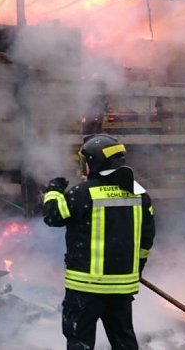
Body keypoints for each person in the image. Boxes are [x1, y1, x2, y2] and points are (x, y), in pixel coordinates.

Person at [42, 134, 155, 350]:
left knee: (80, 342)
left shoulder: (82, 194)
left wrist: (53, 191)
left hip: (85, 288)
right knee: (124, 341)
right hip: (121, 289)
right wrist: (135, 271)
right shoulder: (139, 195)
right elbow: (146, 241)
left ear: (92, 162)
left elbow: (52, 216)